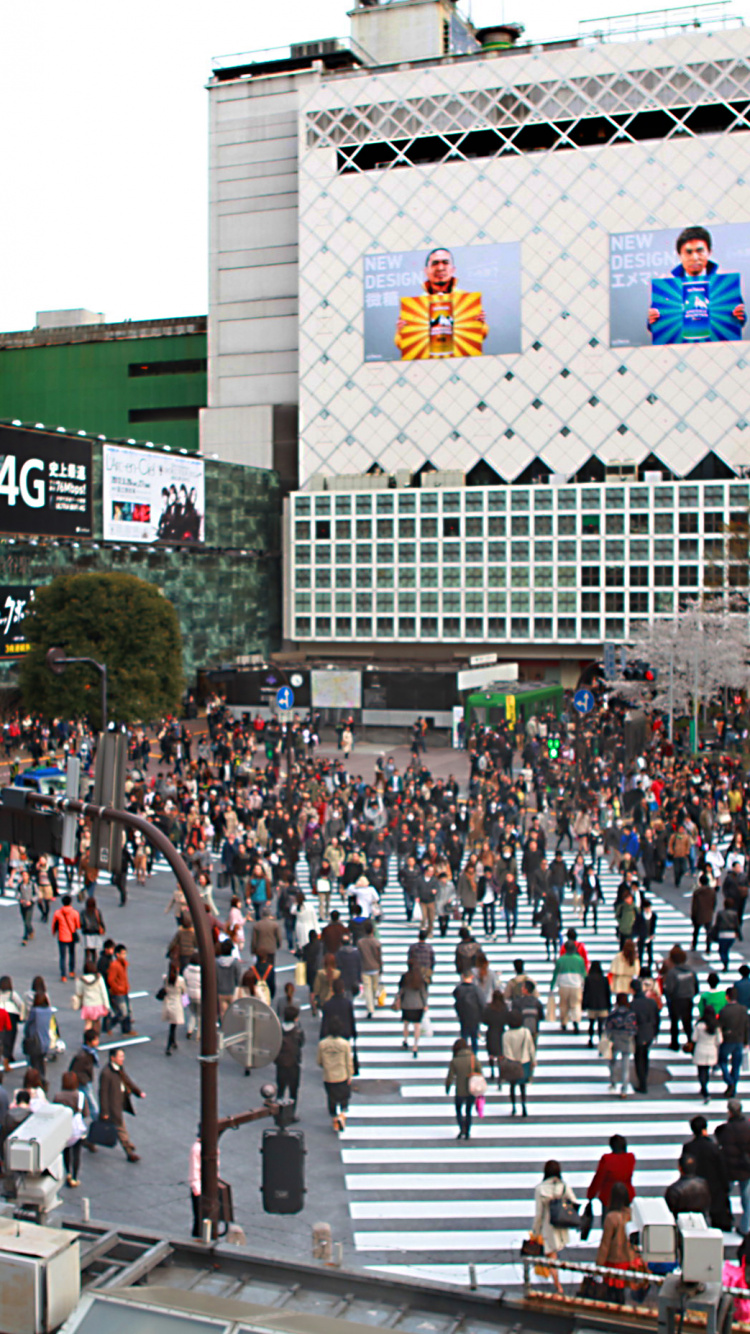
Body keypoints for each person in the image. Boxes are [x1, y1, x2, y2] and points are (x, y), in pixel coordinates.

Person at [648, 225, 746, 340]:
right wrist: (652, 320)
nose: (694, 257)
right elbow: (654, 326)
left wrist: (739, 316)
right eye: (688, 252)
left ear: (709, 252)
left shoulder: (725, 284)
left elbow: (740, 320)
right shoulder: (666, 287)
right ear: (679, 255)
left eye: (700, 251)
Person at [533, 1160, 579, 1296]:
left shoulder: (540, 1189)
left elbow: (539, 1213)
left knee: (551, 1255)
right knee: (554, 1253)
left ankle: (558, 1285)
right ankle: (556, 1282)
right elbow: (574, 1201)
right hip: (561, 1224)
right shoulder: (563, 1186)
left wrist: (535, 1230)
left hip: (548, 1226)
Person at [683, 1115, 734, 1232]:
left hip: (695, 1186)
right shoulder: (713, 1147)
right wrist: (725, 1186)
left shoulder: (688, 1147)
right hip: (714, 1186)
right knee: (717, 1217)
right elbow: (722, 1168)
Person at [99, 1047, 145, 1162]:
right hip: (112, 1105)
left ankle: (88, 1141)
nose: (122, 1059)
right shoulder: (106, 1073)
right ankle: (128, 1151)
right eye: (120, 1057)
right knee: (120, 1128)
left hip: (119, 1101)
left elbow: (127, 1080)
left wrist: (137, 1092)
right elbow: (103, 1093)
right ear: (112, 1058)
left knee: (102, 1125)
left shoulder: (119, 1069)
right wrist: (104, 1111)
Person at [595, 1181, 636, 1305]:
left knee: (611, 1291)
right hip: (627, 1258)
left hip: (613, 1260)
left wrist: (599, 1264)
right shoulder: (631, 1214)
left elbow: (605, 1244)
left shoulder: (611, 1217)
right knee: (621, 1290)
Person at [717, 1099, 750, 1235]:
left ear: (730, 1112)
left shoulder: (726, 1129)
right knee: (747, 1199)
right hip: (746, 1168)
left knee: (724, 1194)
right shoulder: (748, 1127)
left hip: (729, 1168)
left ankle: (725, 1221)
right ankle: (745, 1227)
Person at [317, 1016, 354, 1132]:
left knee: (331, 1097)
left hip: (329, 1075)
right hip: (342, 1074)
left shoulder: (322, 1044)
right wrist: (350, 1074)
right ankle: (342, 1115)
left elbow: (319, 1061)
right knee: (344, 1097)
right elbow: (348, 1061)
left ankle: (334, 1119)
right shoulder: (344, 1044)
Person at [587, 1135, 636, 1216]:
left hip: (608, 1198)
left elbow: (599, 1178)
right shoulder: (630, 1158)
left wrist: (590, 1195)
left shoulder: (607, 1159)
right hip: (626, 1197)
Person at [445, 1037, 482, 1140]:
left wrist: (447, 1087)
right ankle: (468, 1131)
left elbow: (450, 1076)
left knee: (458, 1110)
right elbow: (480, 1072)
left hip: (460, 1090)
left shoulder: (455, 1061)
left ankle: (462, 1128)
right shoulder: (473, 1058)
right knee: (469, 1111)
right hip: (472, 1089)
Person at [55, 1070, 86, 1188]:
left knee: (66, 1151)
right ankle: (74, 1177)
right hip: (77, 1129)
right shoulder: (80, 1096)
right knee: (77, 1153)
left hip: (64, 1128)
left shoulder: (58, 1096)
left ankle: (67, 1171)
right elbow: (85, 1113)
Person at [718, 986, 750, 1097]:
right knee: (736, 1065)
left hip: (727, 1040)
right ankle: (733, 1085)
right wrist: (747, 1041)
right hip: (739, 1040)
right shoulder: (743, 1010)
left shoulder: (724, 1011)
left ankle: (729, 1081)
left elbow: (720, 1027)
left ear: (727, 997)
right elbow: (747, 1026)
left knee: (722, 1061)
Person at [664, 947, 698, 1049]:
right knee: (687, 1022)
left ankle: (674, 1043)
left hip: (676, 1000)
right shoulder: (691, 971)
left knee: (674, 1022)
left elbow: (669, 989)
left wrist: (669, 996)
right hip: (688, 999)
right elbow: (696, 986)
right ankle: (690, 1041)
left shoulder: (672, 973)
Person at [631, 977, 660, 1094]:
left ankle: (642, 1083)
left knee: (639, 1058)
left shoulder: (633, 1004)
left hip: (638, 1033)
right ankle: (644, 1080)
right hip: (649, 1033)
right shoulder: (651, 1002)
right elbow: (657, 1018)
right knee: (645, 1056)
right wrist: (655, 1032)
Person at [550, 940, 586, 1033]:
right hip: (576, 985)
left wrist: (552, 986)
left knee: (563, 1005)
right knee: (576, 1004)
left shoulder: (561, 960)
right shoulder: (579, 960)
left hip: (563, 985)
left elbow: (555, 974)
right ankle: (576, 1021)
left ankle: (564, 1022)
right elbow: (583, 974)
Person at [502, 1010, 534, 1117]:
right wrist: (533, 1060)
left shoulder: (506, 1035)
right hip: (524, 1062)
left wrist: (512, 1059)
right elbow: (531, 1048)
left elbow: (507, 1051)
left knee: (512, 1085)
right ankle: (524, 1106)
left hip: (512, 1064)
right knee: (523, 1086)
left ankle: (513, 1106)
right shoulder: (526, 1032)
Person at [606, 992, 637, 1098]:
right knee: (626, 1065)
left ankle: (613, 1082)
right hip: (627, 1039)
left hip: (615, 1039)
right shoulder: (631, 1014)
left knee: (613, 1062)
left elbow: (608, 1027)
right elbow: (634, 1028)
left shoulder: (613, 1014)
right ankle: (624, 1089)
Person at [276, 1004, 304, 1116]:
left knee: (280, 1088)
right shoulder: (298, 1031)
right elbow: (301, 1044)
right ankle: (291, 1114)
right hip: (293, 1063)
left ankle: (278, 1111)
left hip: (281, 1063)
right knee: (293, 1091)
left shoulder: (279, 1029)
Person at [72, 951, 109, 1035]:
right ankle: (96, 1038)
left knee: (88, 1024)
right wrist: (107, 1005)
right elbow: (104, 992)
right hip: (98, 1004)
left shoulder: (81, 980)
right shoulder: (99, 978)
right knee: (96, 1022)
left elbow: (79, 993)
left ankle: (87, 1039)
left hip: (87, 1004)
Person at [665, 1155, 711, 1221]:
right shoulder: (704, 1184)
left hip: (681, 1223)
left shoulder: (674, 1189)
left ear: (680, 1168)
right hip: (701, 1222)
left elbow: (670, 1209)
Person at [69, 1028, 101, 1123]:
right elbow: (75, 1070)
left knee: (83, 1102)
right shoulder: (83, 1056)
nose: (97, 1041)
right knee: (91, 1103)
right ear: (89, 1041)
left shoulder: (89, 1052)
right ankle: (97, 1121)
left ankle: (79, 1120)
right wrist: (84, 1080)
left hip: (85, 1080)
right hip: (83, 1082)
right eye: (96, 1039)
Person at [397, 965, 428, 1057]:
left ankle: (405, 1040)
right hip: (418, 1005)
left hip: (406, 1004)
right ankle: (415, 1046)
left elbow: (400, 990)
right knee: (417, 1026)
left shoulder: (405, 978)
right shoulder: (420, 979)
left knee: (406, 1024)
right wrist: (425, 1004)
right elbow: (423, 993)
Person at [105, 944, 136, 1036]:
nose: (125, 955)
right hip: (118, 993)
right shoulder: (115, 965)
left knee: (128, 1011)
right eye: (123, 953)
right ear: (117, 954)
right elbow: (111, 980)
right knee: (123, 1013)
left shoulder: (123, 964)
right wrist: (118, 988)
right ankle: (109, 1025)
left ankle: (127, 1029)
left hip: (124, 991)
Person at [693, 1003, 720, 1102]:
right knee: (707, 1070)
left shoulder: (699, 1025)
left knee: (701, 1070)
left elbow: (694, 1038)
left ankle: (704, 1090)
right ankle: (704, 1087)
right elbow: (719, 1040)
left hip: (700, 1048)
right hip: (711, 1049)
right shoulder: (716, 1025)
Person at [23, 991, 52, 1081]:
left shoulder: (34, 1011)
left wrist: (26, 1036)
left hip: (35, 1041)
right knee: (41, 1062)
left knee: (34, 1064)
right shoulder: (49, 1010)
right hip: (46, 1041)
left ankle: (37, 1082)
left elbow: (28, 1025)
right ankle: (43, 1080)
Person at [51, 895, 81, 982]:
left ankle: (63, 975)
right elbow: (78, 925)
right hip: (71, 937)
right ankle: (71, 971)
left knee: (62, 956)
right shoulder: (75, 913)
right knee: (72, 954)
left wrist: (54, 932)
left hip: (62, 937)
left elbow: (54, 925)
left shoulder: (57, 913)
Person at [453, 971, 484, 1056]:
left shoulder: (458, 989)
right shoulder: (476, 989)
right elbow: (481, 1003)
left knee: (464, 1037)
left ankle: (464, 1054)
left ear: (463, 976)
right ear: (472, 977)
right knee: (474, 1038)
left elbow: (456, 1002)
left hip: (463, 1016)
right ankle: (474, 1055)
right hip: (474, 1016)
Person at [482, 989, 510, 1081]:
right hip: (501, 1032)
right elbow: (507, 1019)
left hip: (491, 1032)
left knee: (491, 1054)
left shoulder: (489, 1007)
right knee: (501, 1054)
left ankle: (492, 1071)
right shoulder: (504, 1007)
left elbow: (484, 1020)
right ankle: (501, 1073)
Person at [161, 960, 187, 1056]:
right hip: (176, 1003)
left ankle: (173, 1041)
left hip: (167, 1003)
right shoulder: (180, 980)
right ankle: (169, 1045)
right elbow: (184, 991)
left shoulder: (166, 978)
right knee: (173, 1026)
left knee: (172, 1025)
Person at [583, 961, 611, 1047]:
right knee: (601, 1025)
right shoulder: (604, 979)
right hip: (602, 1005)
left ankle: (590, 1039)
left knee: (591, 1023)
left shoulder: (588, 979)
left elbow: (585, 992)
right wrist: (609, 1005)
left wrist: (584, 1004)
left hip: (592, 1005)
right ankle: (600, 1042)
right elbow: (607, 993)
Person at [358, 921, 382, 1019]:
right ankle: (372, 1003)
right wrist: (381, 967)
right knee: (374, 988)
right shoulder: (376, 942)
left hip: (364, 967)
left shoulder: (360, 942)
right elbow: (379, 956)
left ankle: (370, 1008)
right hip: (375, 967)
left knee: (367, 988)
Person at [0, 976, 25, 1069]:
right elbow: (20, 1004)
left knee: (1, 1036)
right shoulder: (12, 994)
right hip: (11, 1016)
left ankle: (3, 1053)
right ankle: (8, 1055)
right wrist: (22, 1016)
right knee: (10, 1037)